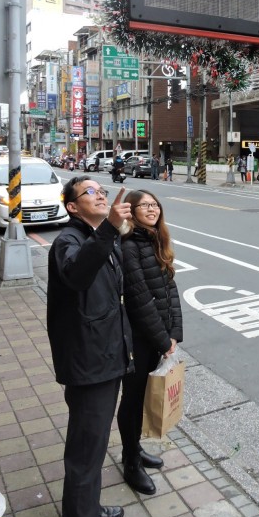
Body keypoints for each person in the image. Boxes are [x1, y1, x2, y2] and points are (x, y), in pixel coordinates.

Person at [47, 178, 134, 517]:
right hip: (89, 366)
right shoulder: (68, 241)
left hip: (105, 359)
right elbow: (78, 274)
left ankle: (88, 511)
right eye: (90, 193)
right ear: (72, 207)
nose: (100, 195)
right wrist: (111, 230)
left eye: (102, 190)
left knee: (94, 449)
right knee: (84, 456)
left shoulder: (101, 237)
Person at [117, 190, 183, 495]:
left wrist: (173, 334)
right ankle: (130, 460)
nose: (152, 208)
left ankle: (136, 449)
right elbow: (139, 299)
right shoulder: (129, 245)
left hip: (156, 338)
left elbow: (170, 292)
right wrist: (162, 340)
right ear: (130, 210)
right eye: (145, 205)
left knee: (141, 399)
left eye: (155, 204)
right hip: (138, 340)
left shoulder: (156, 239)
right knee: (131, 402)